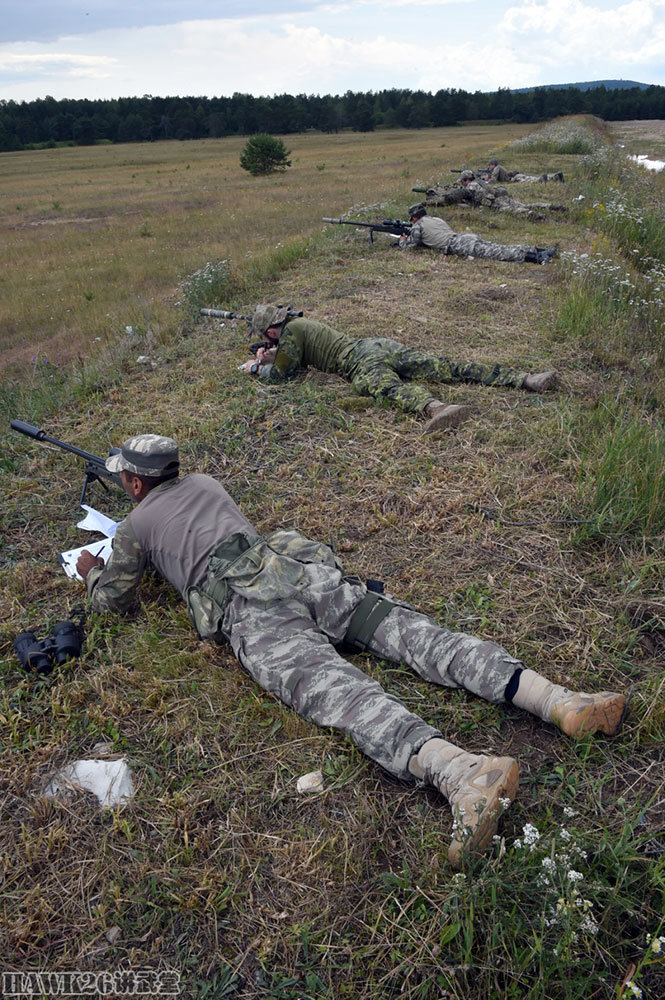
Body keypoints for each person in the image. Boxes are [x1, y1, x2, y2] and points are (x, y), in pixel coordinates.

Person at [77, 434, 627, 868]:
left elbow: (113, 603)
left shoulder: (135, 524)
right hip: (302, 574)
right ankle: (559, 700)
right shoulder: (206, 481)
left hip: (253, 611)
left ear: (132, 482)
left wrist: (91, 572)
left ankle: (465, 775)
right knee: (415, 635)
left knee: (343, 695)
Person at [239, 304, 557, 433]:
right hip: (377, 345)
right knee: (447, 367)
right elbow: (292, 355)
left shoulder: (290, 333)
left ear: (270, 331)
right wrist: (271, 355)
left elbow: (283, 375)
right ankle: (527, 379)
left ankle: (438, 408)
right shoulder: (298, 325)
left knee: (387, 389)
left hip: (359, 361)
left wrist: (256, 368)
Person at [400, 203, 558, 265]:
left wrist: (402, 240)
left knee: (498, 253)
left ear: (414, 217)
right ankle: (539, 249)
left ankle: (537, 258)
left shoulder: (418, 225)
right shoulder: (435, 219)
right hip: (464, 238)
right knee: (499, 247)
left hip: (458, 244)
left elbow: (410, 245)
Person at [418, 172, 568, 221]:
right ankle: (551, 207)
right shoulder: (481, 182)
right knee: (523, 204)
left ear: (465, 180)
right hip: (502, 195)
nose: (462, 184)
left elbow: (453, 198)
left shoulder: (470, 187)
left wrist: (432, 203)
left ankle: (535, 216)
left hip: (494, 203)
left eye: (462, 181)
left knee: (513, 211)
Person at [485, 159, 565, 184]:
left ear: (493, 164)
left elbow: (493, 180)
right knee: (534, 178)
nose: (489, 167)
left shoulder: (496, 168)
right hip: (516, 175)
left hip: (514, 179)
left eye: (490, 165)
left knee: (534, 181)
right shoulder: (499, 167)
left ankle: (545, 178)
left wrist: (487, 180)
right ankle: (556, 176)